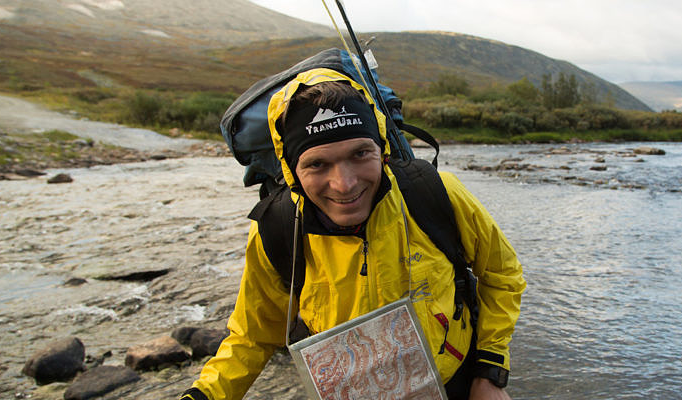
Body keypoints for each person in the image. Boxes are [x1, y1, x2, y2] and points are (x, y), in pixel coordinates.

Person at [181, 68, 525, 400]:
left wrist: (490, 371)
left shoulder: (436, 194)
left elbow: (503, 274)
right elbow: (252, 336)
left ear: (382, 150)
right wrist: (203, 395)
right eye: (317, 164)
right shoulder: (278, 229)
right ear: (291, 171)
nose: (344, 184)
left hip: (457, 384)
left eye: (360, 154)